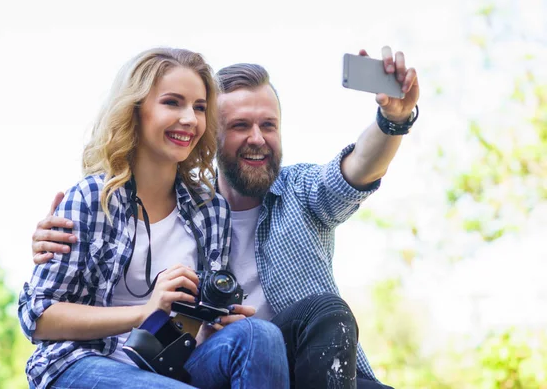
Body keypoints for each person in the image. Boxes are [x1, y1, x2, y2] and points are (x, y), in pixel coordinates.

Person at [32, 46, 419, 389]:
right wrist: (159, 313)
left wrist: (393, 120)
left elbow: (357, 170)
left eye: (268, 125)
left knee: (288, 324)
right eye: (239, 126)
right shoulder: (107, 200)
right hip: (127, 361)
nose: (257, 138)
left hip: (303, 363)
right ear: (213, 137)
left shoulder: (270, 198)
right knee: (258, 336)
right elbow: (40, 311)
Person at [18, 48, 290, 389]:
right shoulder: (91, 198)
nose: (190, 118)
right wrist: (145, 311)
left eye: (200, 107)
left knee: (259, 334)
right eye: (172, 102)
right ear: (136, 111)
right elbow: (38, 316)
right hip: (81, 363)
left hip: (165, 366)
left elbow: (192, 329)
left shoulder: (210, 210)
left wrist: (212, 322)